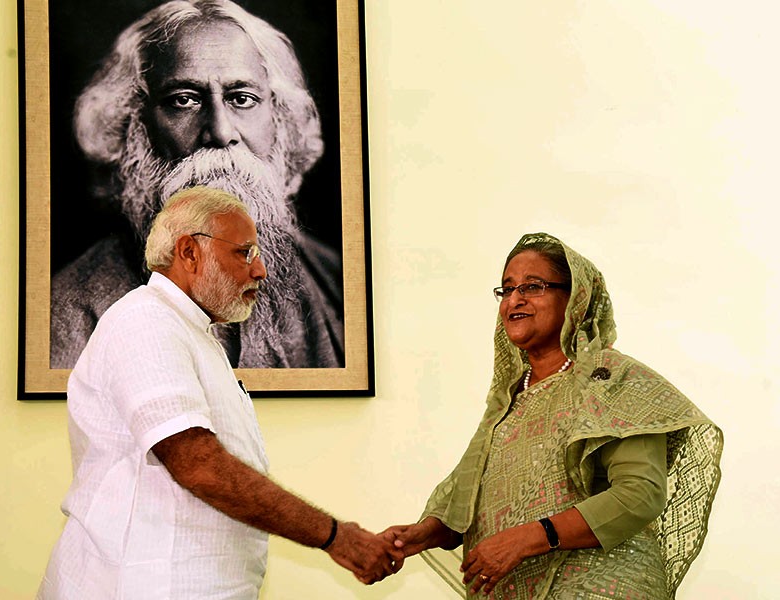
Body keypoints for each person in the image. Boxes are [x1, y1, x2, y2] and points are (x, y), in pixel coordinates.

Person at [38, 187, 399, 599]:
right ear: (189, 252)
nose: (260, 269)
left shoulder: (190, 330)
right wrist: (336, 537)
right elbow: (199, 466)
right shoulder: (147, 322)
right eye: (244, 252)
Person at [382, 233, 723, 599]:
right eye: (507, 289)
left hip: (604, 587)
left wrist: (529, 538)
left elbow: (640, 494)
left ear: (575, 298)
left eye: (533, 286)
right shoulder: (508, 398)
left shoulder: (612, 381)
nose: (515, 300)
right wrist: (420, 534)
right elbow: (468, 499)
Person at [50, 0, 344, 370]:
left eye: (242, 99)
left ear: (280, 120)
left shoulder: (334, 278)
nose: (220, 132)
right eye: (184, 100)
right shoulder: (70, 317)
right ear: (133, 124)